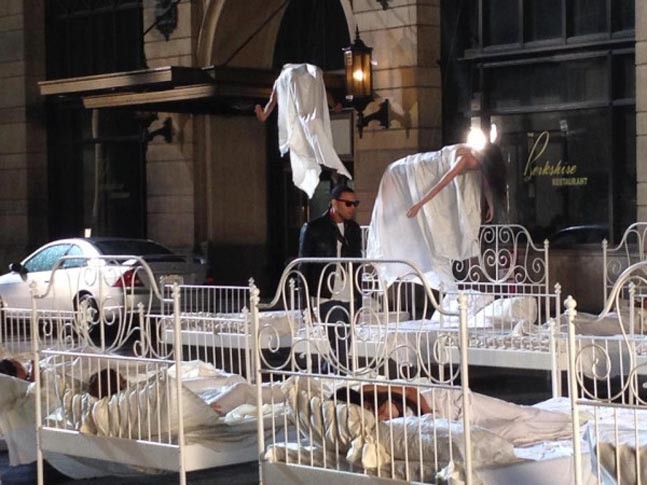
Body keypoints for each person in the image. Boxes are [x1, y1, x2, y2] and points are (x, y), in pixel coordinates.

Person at [367, 142, 506, 290]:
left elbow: (486, 182)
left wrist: (490, 204)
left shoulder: (478, 163)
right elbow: (443, 182)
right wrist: (419, 204)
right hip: (422, 169)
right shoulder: (466, 159)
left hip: (431, 169)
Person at [255, 63, 351, 198]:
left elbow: (272, 103)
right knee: (314, 135)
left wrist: (263, 114)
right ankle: (331, 170)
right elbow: (323, 93)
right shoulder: (288, 79)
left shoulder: (283, 79)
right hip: (307, 115)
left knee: (312, 136)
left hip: (303, 117)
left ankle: (331, 170)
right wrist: (334, 105)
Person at [299, 184, 362, 371]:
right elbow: (304, 266)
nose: (352, 208)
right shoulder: (313, 228)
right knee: (339, 341)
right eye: (348, 204)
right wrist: (305, 305)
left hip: (348, 293)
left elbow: (357, 265)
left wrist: (359, 300)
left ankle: (326, 372)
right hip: (325, 293)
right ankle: (339, 381)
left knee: (344, 343)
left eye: (355, 204)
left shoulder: (354, 229)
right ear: (334, 203)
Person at [334, 384, 433, 421]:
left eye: (368, 407)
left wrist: (428, 415)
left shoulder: (367, 390)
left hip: (424, 403)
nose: (370, 412)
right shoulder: (359, 420)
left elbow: (410, 392)